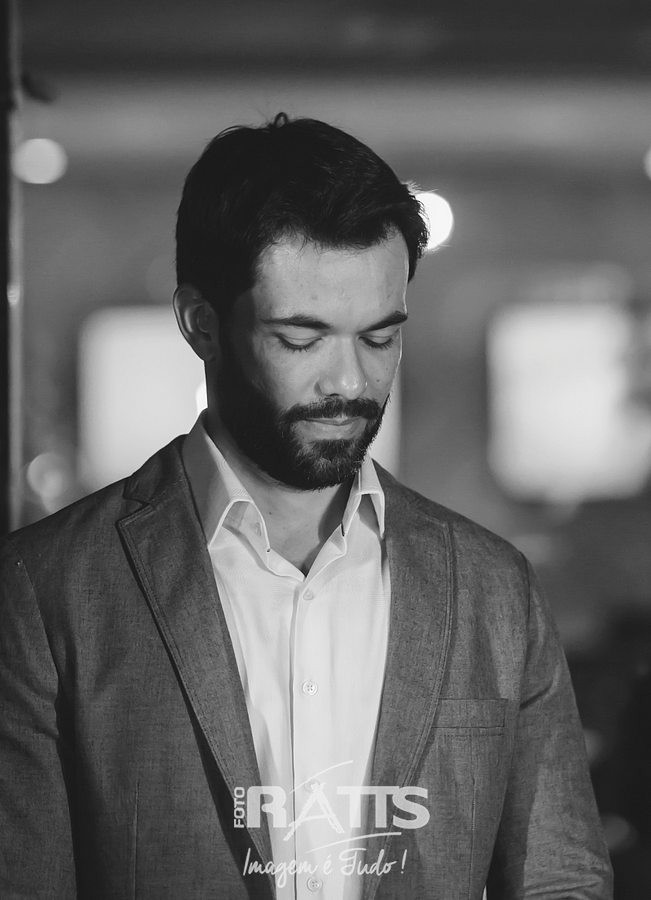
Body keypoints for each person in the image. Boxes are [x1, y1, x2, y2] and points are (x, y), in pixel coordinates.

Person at [0, 113, 612, 900]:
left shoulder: (493, 587)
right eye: (302, 338)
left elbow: (560, 880)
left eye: (379, 337)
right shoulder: (47, 588)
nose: (349, 382)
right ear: (201, 325)